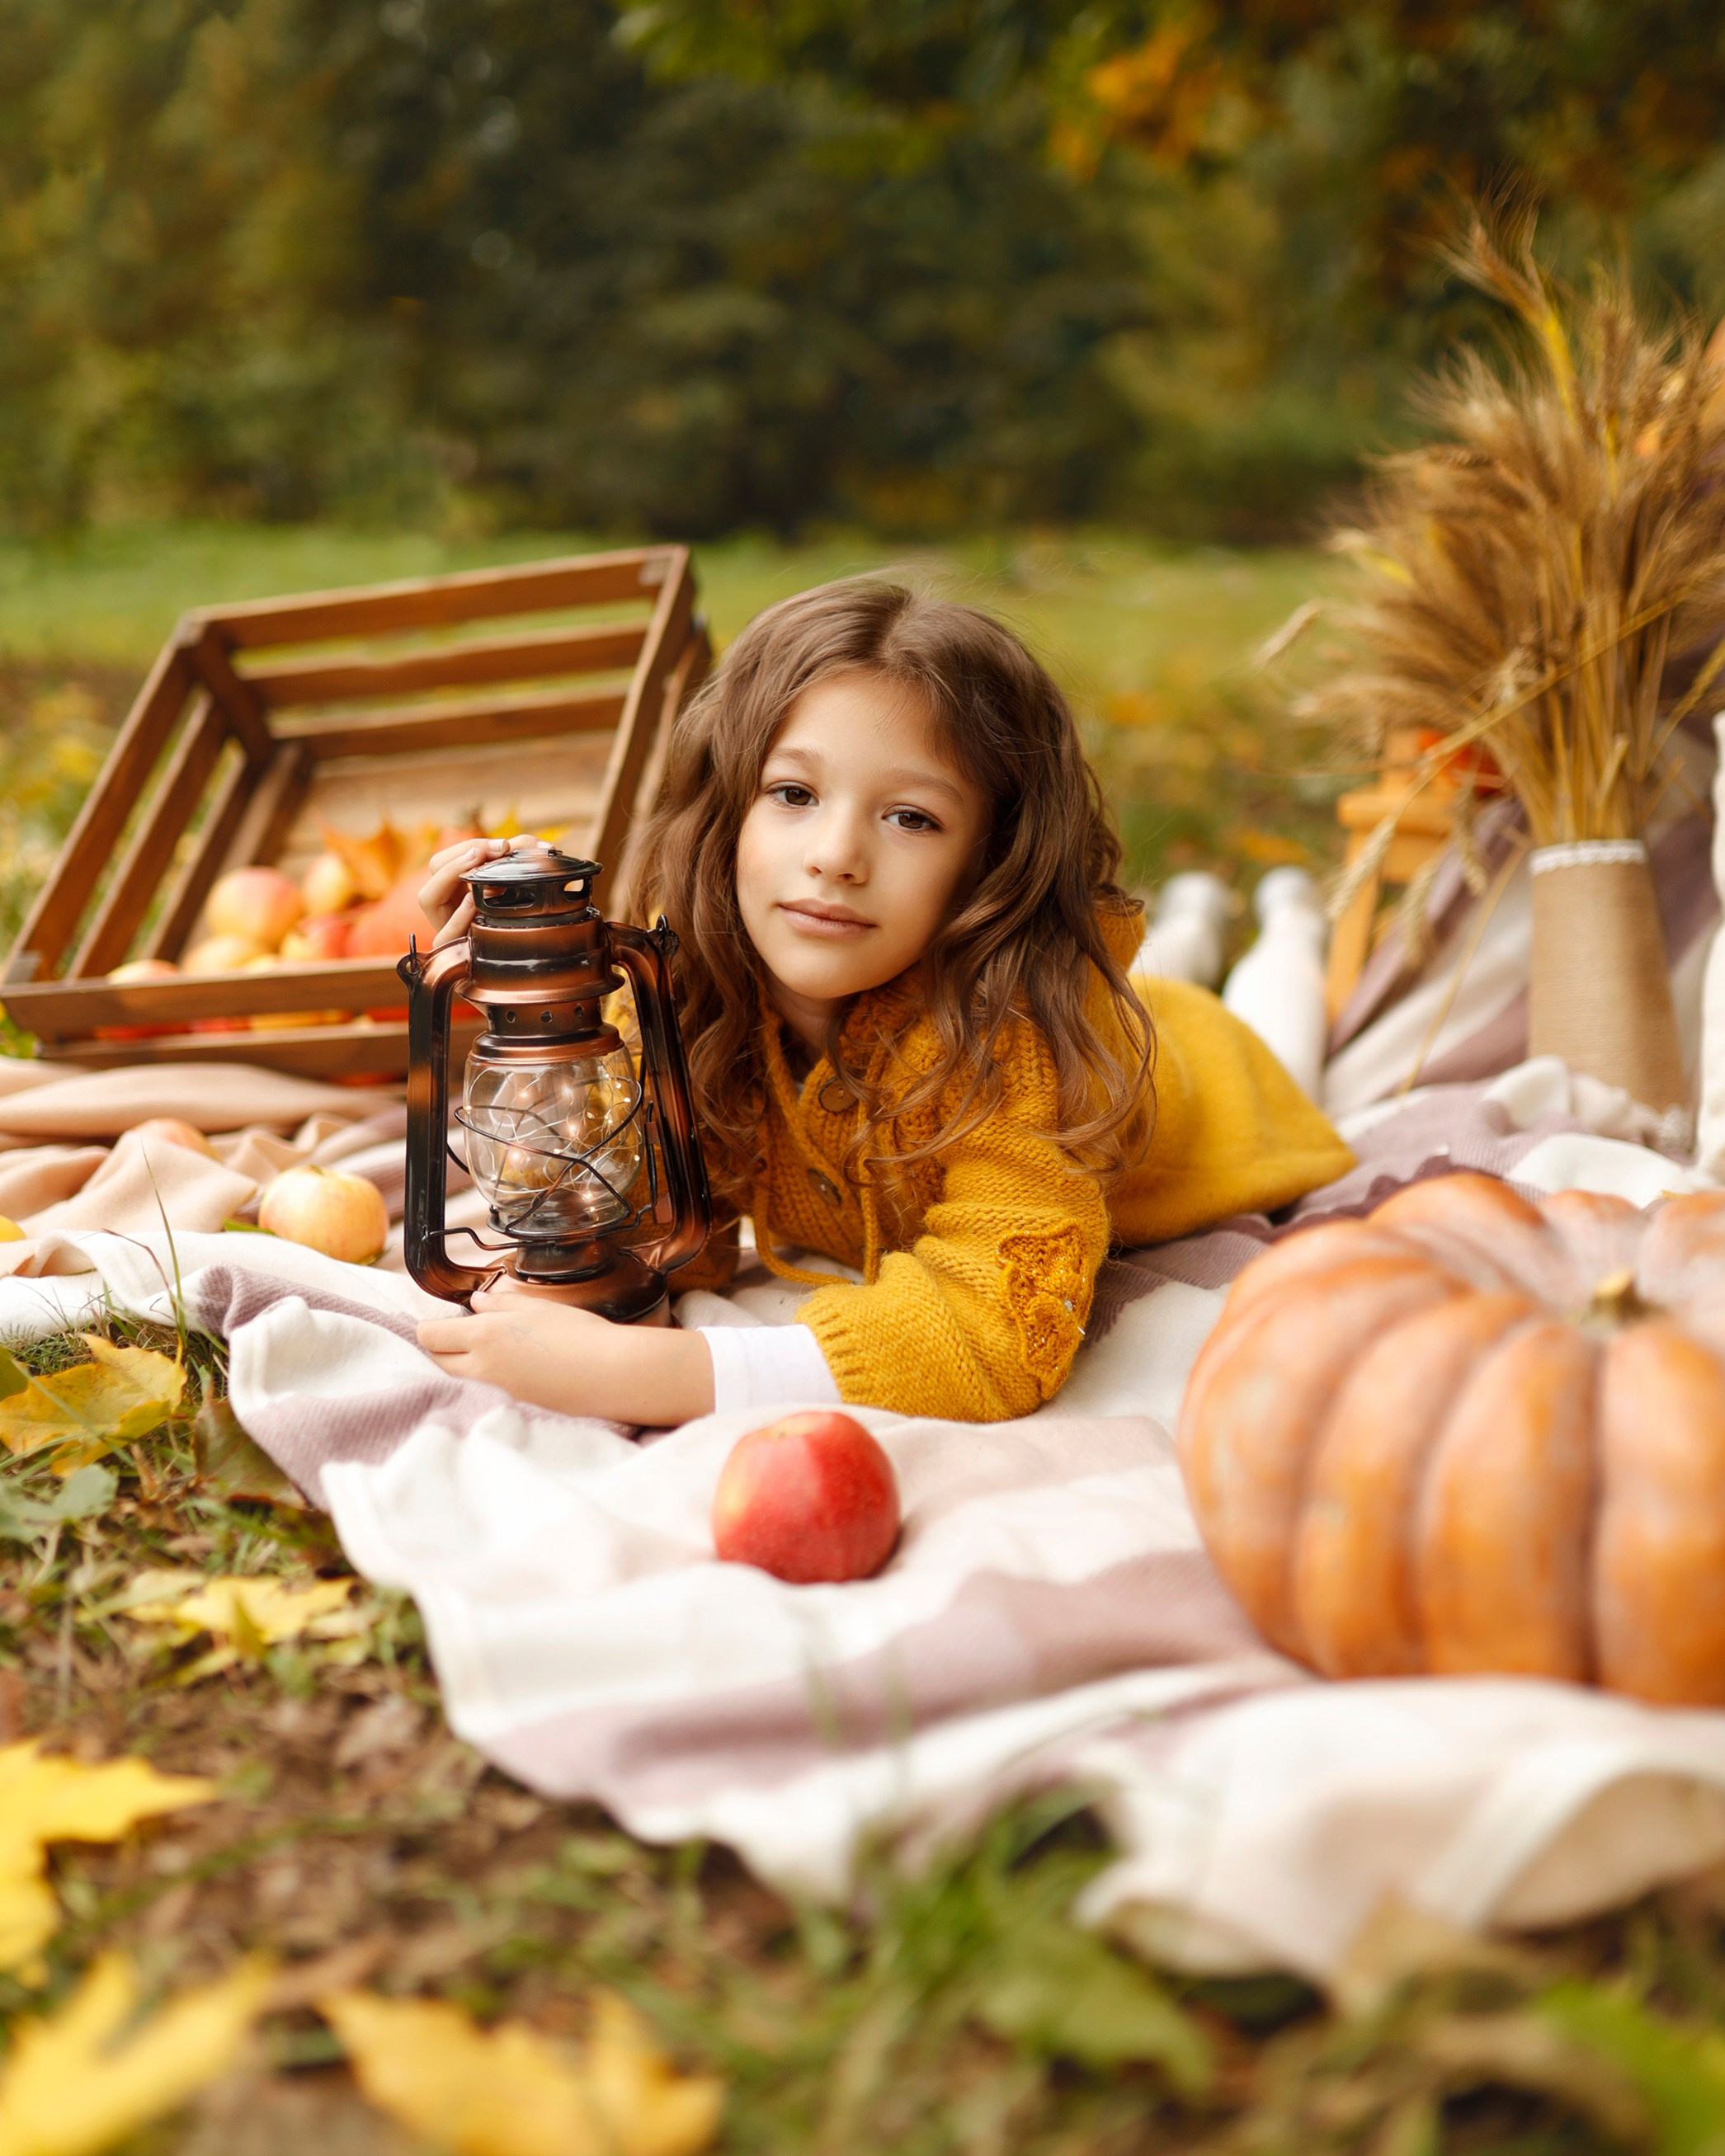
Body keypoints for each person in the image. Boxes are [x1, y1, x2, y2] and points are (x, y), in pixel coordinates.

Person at [414, 578, 1354, 1425]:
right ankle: (1199, 913)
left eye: (911, 817)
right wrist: (525, 959)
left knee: (1258, 1010)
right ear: (728, 813)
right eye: (792, 792)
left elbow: (997, 1335)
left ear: (988, 867)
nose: (835, 853)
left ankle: (1289, 920)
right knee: (1176, 961)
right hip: (1125, 1020)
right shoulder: (687, 978)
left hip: (1209, 1083)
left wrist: (657, 1371)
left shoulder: (1020, 1038)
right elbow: (635, 1183)